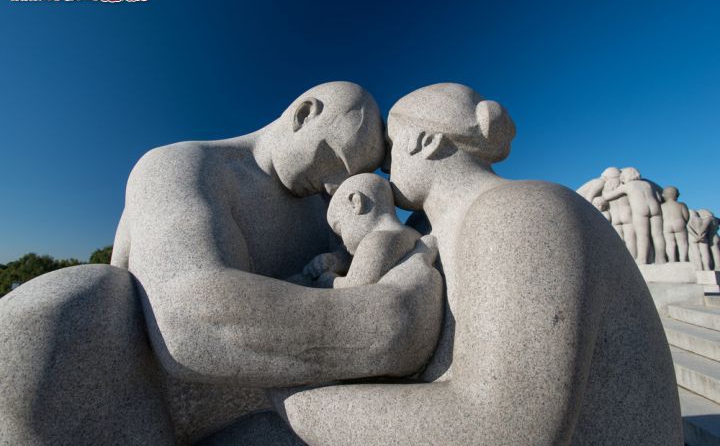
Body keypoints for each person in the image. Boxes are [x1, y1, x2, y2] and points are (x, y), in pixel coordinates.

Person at [0, 82, 444, 445]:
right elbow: (193, 319)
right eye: (337, 159)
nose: (335, 184)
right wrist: (394, 320)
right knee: (60, 309)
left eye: (347, 177)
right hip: (144, 408)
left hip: (261, 408)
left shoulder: (321, 206)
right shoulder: (181, 166)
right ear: (305, 114)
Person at [273, 83, 682, 445]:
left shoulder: (521, 212)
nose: (382, 165)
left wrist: (286, 399)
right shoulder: (434, 228)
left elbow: (503, 427)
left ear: (426, 141)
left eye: (392, 145)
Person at [306, 173, 436, 290]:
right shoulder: (413, 234)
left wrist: (327, 280)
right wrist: (337, 260)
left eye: (339, 228)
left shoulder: (376, 240)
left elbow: (352, 289)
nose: (343, 242)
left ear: (356, 203)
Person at [603, 167, 667, 264]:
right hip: (655, 208)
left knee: (642, 235)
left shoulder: (628, 186)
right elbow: (659, 197)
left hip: (640, 208)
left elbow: (608, 196)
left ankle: (642, 259)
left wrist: (604, 191)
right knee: (658, 235)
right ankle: (661, 259)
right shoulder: (647, 184)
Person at [660, 186, 690, 262]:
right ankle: (683, 260)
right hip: (679, 224)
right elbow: (686, 217)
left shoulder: (661, 206)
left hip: (666, 225)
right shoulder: (682, 205)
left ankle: (671, 260)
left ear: (663, 195)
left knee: (669, 243)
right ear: (677, 195)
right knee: (682, 243)